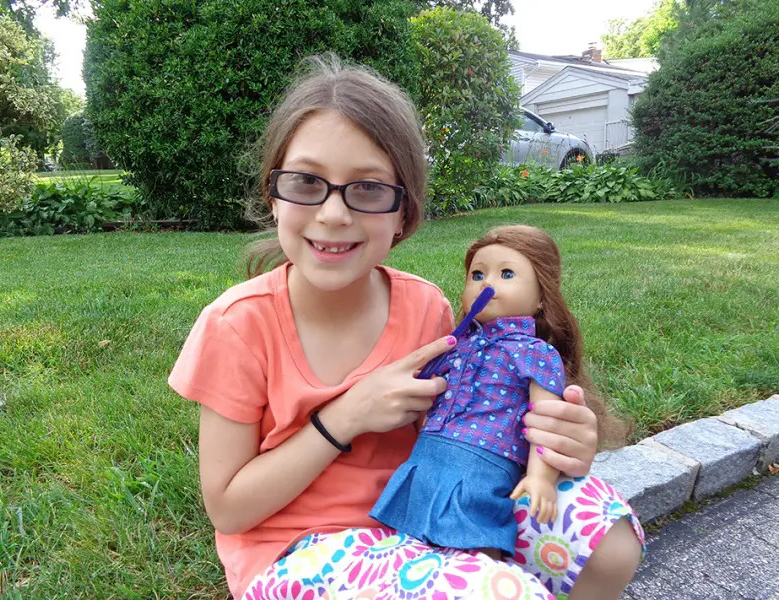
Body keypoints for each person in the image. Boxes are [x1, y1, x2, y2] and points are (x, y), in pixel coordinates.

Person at [168, 55, 645, 600]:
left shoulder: (426, 309)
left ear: (404, 212)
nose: (333, 214)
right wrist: (345, 416)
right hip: (298, 554)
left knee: (607, 543)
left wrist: (561, 445)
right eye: (306, 182)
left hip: (420, 514)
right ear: (273, 195)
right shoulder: (238, 327)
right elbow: (229, 509)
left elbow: (472, 423)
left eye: (368, 188)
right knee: (493, 592)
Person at [370, 225, 584, 559]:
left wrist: (540, 477)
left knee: (475, 546)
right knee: (409, 545)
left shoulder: (533, 352)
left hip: (482, 467)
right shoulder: (456, 345)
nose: (487, 283)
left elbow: (547, 421)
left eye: (507, 273)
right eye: (477, 274)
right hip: (427, 458)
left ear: (542, 296)